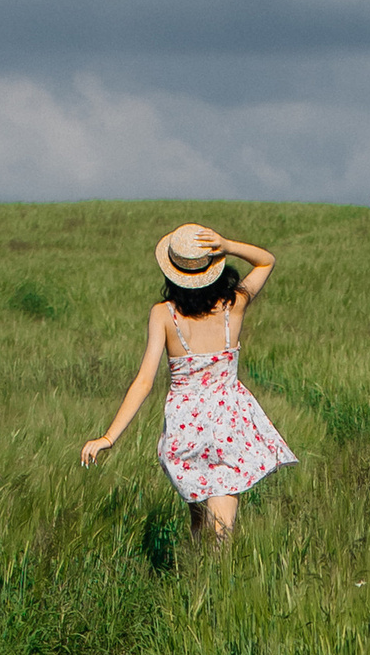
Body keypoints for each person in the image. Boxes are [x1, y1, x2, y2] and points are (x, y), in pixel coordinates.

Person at [80, 222, 295, 542]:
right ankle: (217, 586)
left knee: (199, 525)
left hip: (185, 425)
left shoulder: (164, 314)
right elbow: (266, 260)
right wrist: (226, 245)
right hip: (229, 419)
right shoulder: (234, 304)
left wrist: (109, 437)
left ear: (172, 273)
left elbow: (143, 381)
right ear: (214, 268)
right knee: (223, 530)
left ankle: (195, 579)